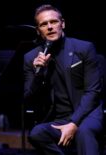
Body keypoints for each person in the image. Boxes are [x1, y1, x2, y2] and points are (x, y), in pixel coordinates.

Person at [24, 4, 103, 155]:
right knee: (37, 133)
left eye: (53, 22)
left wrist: (74, 123)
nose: (50, 27)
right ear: (38, 31)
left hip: (88, 112)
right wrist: (38, 73)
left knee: (84, 132)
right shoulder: (30, 58)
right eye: (44, 24)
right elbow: (29, 98)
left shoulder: (84, 48)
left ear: (63, 24)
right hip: (59, 118)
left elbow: (93, 91)